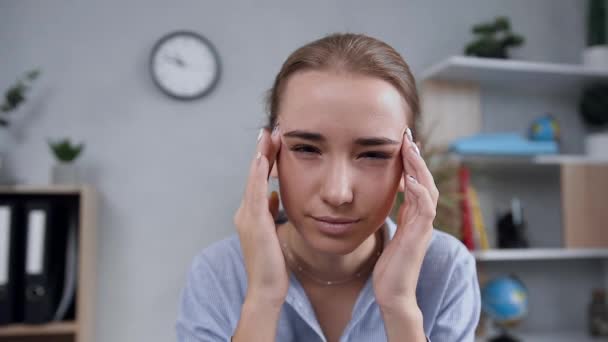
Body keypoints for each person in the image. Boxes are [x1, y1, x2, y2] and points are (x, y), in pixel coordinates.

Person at [176, 32, 481, 342]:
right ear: (270, 153)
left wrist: (400, 308)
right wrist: (262, 300)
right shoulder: (217, 272)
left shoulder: (446, 267)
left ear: (409, 162)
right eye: (307, 149)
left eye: (374, 154)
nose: (337, 194)